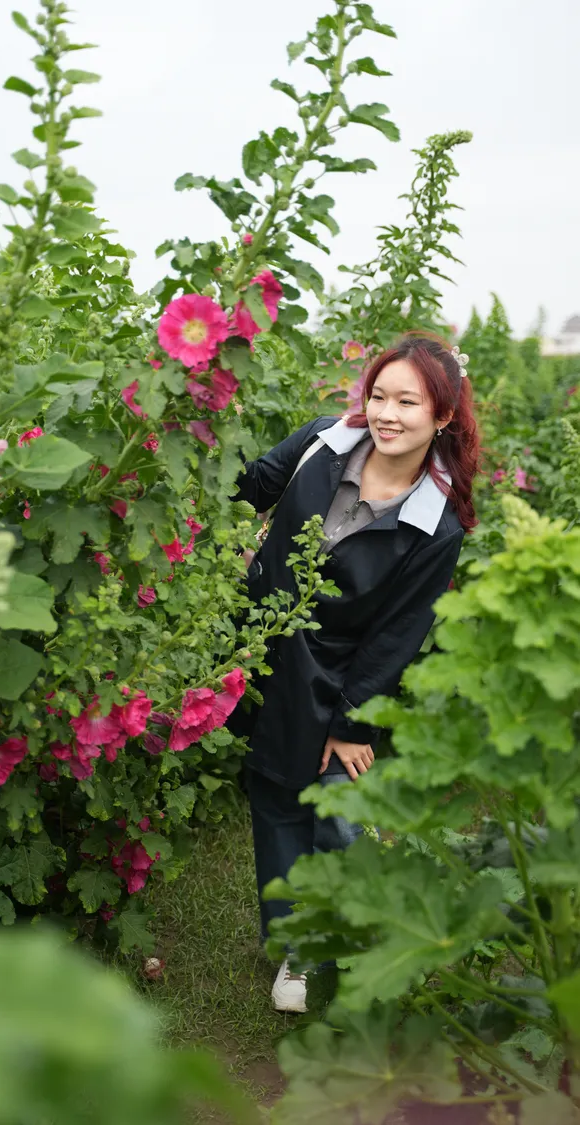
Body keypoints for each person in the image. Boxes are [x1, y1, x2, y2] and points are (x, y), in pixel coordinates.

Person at [233, 333, 480, 1013]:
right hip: (264, 646)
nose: (387, 414)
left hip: (341, 670)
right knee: (277, 794)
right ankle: (295, 944)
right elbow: (250, 484)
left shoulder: (437, 523)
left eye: (408, 401)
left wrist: (349, 722)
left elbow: (397, 633)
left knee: (334, 805)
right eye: (379, 395)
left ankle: (327, 936)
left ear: (444, 416)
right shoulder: (323, 442)